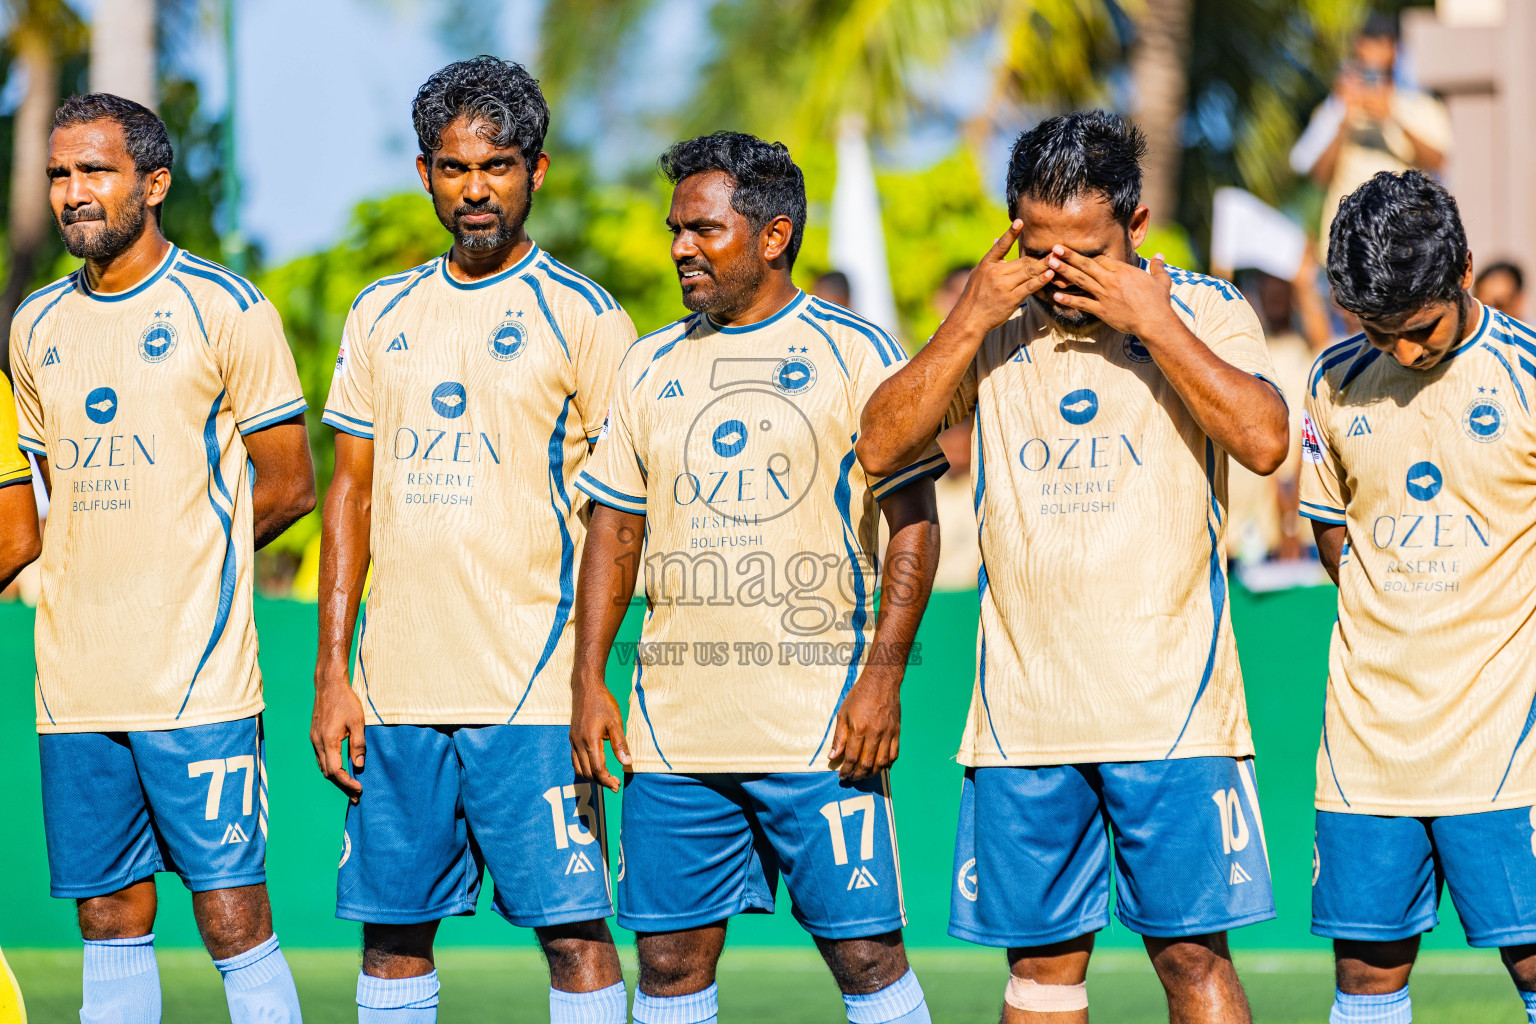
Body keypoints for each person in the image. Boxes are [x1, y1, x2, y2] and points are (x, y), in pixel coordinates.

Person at [857, 111, 1289, 1024]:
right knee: (1040, 978)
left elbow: (1263, 439)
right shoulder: (996, 318)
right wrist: (970, 312)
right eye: (1039, 246)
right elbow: (880, 444)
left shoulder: (1204, 307)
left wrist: (1154, 323)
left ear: (1135, 225)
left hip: (1173, 710)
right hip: (1024, 720)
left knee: (1192, 964)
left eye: (1087, 249)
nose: (1061, 272)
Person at [569, 131, 944, 1024]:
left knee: (867, 959)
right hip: (673, 738)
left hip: (818, 732)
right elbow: (614, 529)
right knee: (664, 967)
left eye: (703, 229)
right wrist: (589, 680)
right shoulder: (648, 363)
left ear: (774, 237)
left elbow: (914, 526)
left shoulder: (854, 352)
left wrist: (882, 682)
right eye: (675, 230)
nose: (680, 248)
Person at [312, 57, 635, 1024]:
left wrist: (590, 679)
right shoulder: (381, 312)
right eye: (455, 169)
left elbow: (621, 514)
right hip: (398, 694)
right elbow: (349, 493)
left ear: (536, 170)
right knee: (393, 936)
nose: (475, 189)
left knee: (576, 934)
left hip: (531, 693)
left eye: (497, 166)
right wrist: (335, 673)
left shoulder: (586, 317)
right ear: (425, 174)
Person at [11, 93, 314, 1024]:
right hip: (73, 683)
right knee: (108, 918)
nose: (73, 193)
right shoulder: (34, 326)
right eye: (61, 174)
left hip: (198, 677)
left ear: (154, 182)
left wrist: (194, 556)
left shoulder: (225, 306)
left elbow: (291, 483)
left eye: (94, 171)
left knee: (232, 918)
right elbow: (37, 504)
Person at [1300, 170, 1536, 1024]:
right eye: (1378, 331)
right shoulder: (1330, 379)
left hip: (1508, 745)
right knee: (1366, 978)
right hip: (1368, 746)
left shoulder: (1527, 377)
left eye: (1419, 330)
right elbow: (1336, 536)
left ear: (1464, 269)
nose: (1401, 354)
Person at [1290, 12, 1451, 257]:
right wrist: (1343, 121)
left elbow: (1439, 161)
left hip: (1405, 239)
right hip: (1350, 241)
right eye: (1368, 42)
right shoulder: (1335, 108)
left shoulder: (1421, 106)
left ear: (1395, 50)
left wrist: (1392, 117)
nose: (1374, 50)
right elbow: (1319, 176)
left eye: (1382, 42)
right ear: (1357, 47)